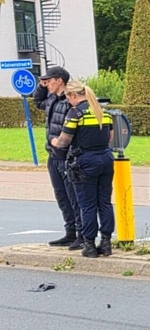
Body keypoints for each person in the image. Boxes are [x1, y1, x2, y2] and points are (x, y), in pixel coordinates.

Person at [50, 81, 114, 259]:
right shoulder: (104, 112)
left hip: (84, 161)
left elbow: (64, 141)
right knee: (105, 203)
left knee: (87, 205)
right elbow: (110, 138)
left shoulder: (75, 113)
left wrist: (54, 141)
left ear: (73, 95)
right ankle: (106, 243)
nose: (68, 101)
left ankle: (89, 245)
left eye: (68, 98)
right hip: (105, 159)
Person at [32, 67, 82, 249]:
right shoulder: (52, 99)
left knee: (73, 197)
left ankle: (81, 234)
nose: (47, 84)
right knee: (61, 196)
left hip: (66, 157)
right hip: (53, 156)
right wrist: (40, 86)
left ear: (59, 80)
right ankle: (70, 232)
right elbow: (37, 102)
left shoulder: (70, 101)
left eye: (49, 80)